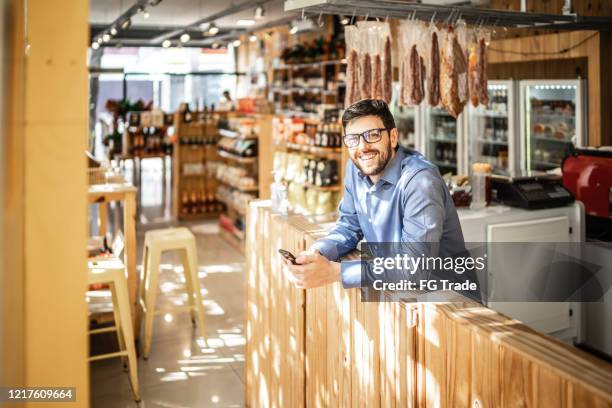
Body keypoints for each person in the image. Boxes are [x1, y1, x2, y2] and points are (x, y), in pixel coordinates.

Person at [284, 99, 467, 290]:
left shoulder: (420, 181)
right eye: (353, 139)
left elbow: (414, 269)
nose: (362, 147)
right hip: (398, 295)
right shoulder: (356, 169)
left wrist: (335, 271)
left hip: (447, 300)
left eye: (372, 135)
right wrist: (319, 252)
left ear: (393, 137)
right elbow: (349, 226)